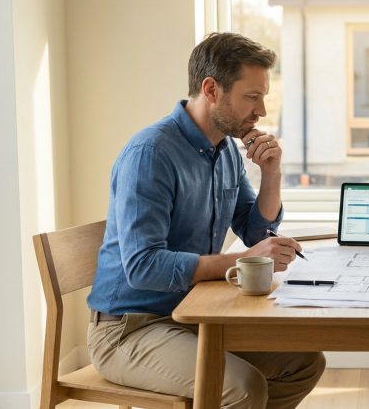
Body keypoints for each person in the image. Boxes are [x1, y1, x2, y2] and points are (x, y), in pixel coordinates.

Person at [87, 32, 325, 409]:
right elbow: (142, 267)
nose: (261, 111)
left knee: (303, 363)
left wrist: (272, 174)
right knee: (243, 387)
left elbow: (255, 231)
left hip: (193, 316)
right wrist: (242, 262)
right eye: (252, 96)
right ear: (211, 89)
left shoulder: (226, 150)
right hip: (130, 329)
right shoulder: (151, 154)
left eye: (263, 96)